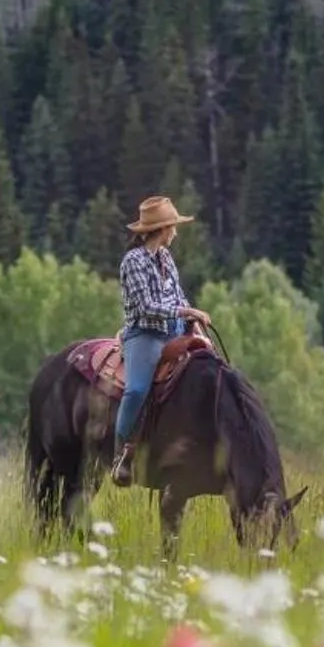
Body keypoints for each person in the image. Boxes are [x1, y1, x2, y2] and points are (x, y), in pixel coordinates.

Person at [109, 195, 212, 488]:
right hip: (145, 334)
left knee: (210, 362)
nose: (176, 232)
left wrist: (192, 318)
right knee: (137, 389)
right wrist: (185, 311)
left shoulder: (166, 258)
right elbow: (146, 307)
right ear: (163, 229)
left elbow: (177, 295)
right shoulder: (133, 262)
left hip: (175, 329)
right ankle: (120, 452)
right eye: (173, 227)